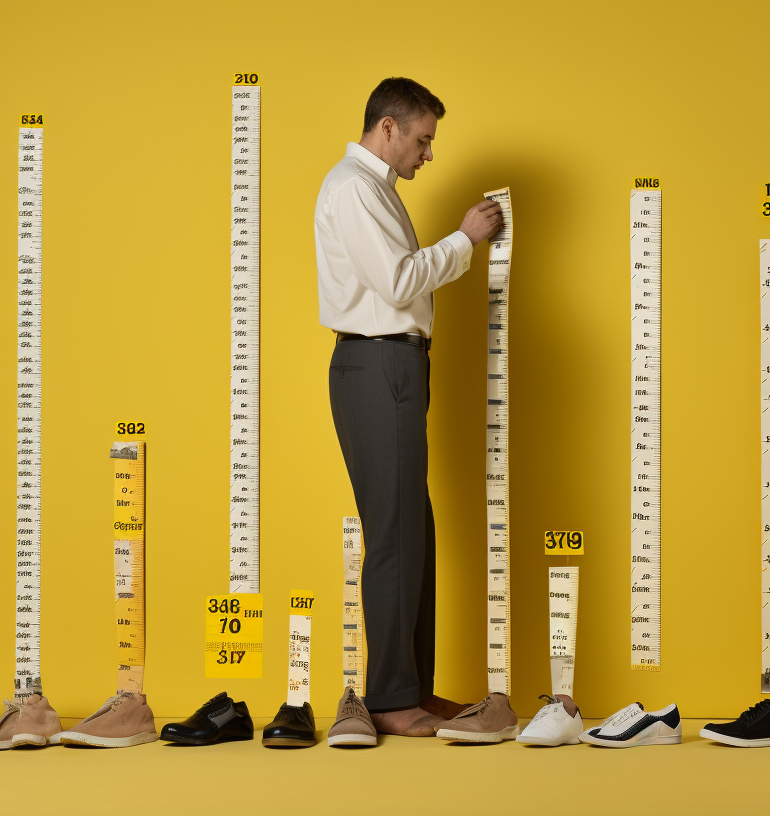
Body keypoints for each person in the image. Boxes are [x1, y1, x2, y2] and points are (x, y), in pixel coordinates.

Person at [315, 77, 503, 737]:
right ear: (387, 128)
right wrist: (465, 239)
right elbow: (396, 283)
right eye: (423, 140)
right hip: (376, 364)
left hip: (393, 364)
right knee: (394, 535)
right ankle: (392, 700)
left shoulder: (375, 190)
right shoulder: (354, 189)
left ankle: (412, 689)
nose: (429, 154)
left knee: (411, 530)